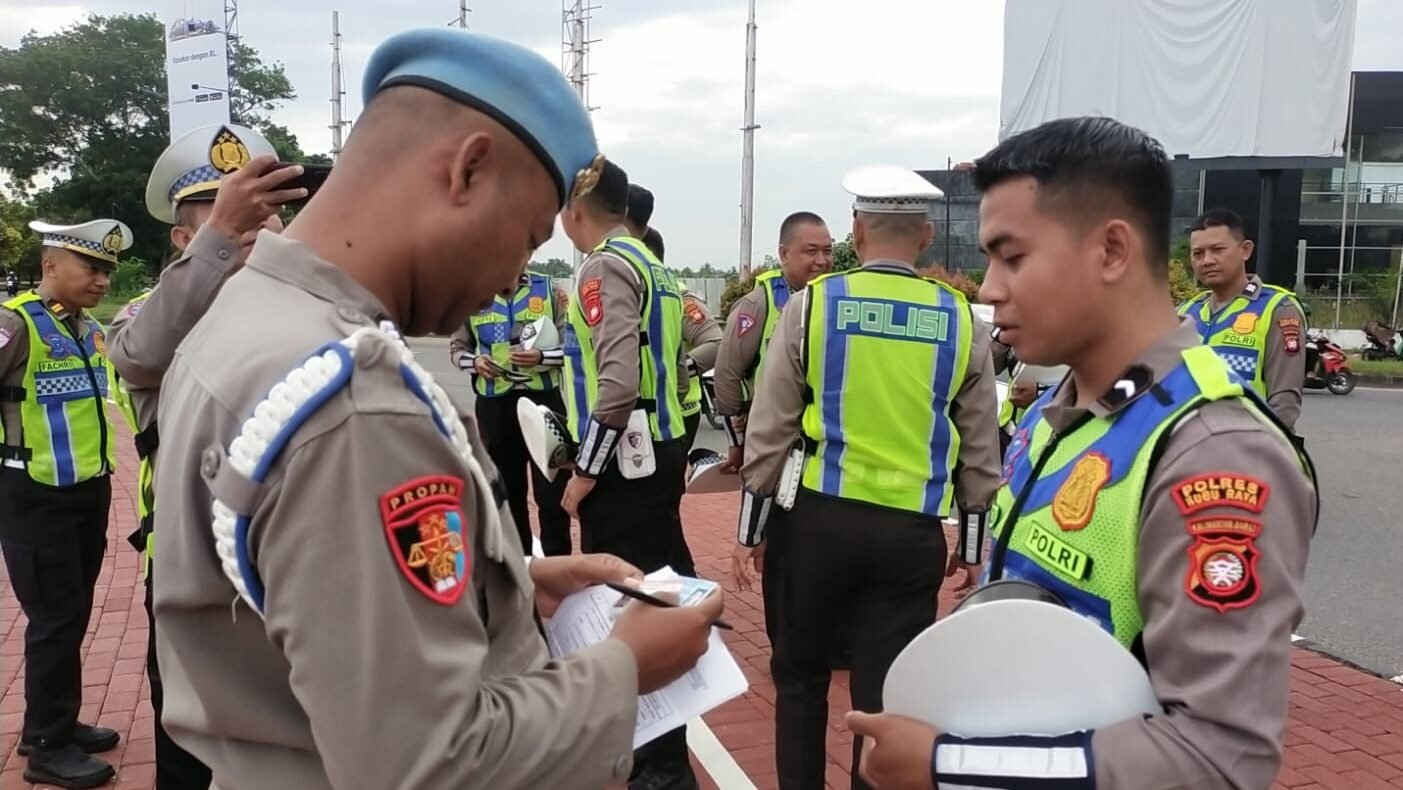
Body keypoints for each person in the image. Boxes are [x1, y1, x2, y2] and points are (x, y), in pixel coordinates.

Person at [150, 28, 722, 790]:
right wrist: (624, 669)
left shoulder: (245, 314)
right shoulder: (358, 405)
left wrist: (511, 581)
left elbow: (299, 588)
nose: (516, 272)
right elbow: (429, 765)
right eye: (524, 236)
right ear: (467, 167)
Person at [847, 117, 1318, 790]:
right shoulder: (1055, 406)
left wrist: (948, 766)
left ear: (1111, 250)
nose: (987, 288)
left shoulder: (1213, 454)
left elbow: (1220, 757)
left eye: (1011, 257)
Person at [732, 167, 1001, 790]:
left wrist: (751, 529)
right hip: (910, 535)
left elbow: (771, 428)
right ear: (927, 237)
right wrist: (971, 545)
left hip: (820, 522)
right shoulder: (962, 320)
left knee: (799, 678)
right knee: (882, 700)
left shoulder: (812, 306)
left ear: (855, 231)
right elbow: (981, 448)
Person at [106, 122, 302, 790]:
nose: (257, 234)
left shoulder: (299, 312)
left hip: (289, 560)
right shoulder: (140, 317)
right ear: (186, 240)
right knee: (191, 742)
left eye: (266, 218)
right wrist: (223, 244)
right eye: (230, 222)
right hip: (194, 569)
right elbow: (139, 356)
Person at [558, 159, 698, 790]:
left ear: (574, 209)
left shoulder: (605, 265)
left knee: (626, 606)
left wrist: (585, 470)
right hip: (661, 449)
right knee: (656, 590)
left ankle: (656, 764)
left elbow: (616, 382)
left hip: (623, 462)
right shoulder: (652, 264)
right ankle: (663, 755)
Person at [0, 219, 131, 789]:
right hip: (35, 493)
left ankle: (50, 723)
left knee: (72, 611)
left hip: (86, 488)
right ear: (51, 265)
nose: (101, 280)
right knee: (54, 619)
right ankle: (47, 751)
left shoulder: (84, 328)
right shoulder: (14, 322)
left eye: (107, 271)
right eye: (91, 268)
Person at [449, 270, 574, 556]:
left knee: (552, 492)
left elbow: (571, 344)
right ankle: (521, 569)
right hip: (496, 408)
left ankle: (559, 564)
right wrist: (476, 362)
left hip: (543, 402)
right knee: (507, 494)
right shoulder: (473, 291)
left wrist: (543, 357)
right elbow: (457, 350)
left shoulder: (548, 290)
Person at [712, 212, 833, 472]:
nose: (822, 261)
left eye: (828, 250)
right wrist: (738, 442)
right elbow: (727, 372)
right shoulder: (758, 303)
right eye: (811, 251)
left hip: (824, 448)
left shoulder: (837, 301)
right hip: (772, 448)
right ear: (784, 254)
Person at [1179, 208, 1307, 430]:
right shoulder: (1185, 313)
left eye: (1218, 249)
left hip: (1246, 452)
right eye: (1197, 253)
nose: (1207, 260)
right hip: (1188, 452)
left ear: (1245, 250)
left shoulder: (1276, 308)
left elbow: (1284, 401)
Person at [640, 226, 722, 453]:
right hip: (634, 414)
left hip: (677, 411)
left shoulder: (678, 297)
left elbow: (716, 343)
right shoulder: (627, 296)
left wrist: (676, 371)